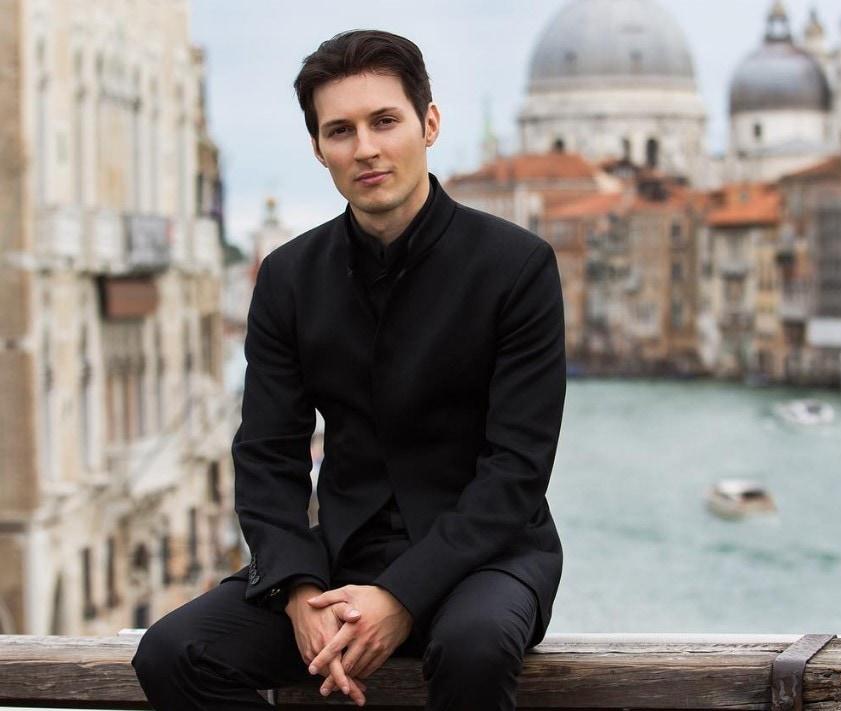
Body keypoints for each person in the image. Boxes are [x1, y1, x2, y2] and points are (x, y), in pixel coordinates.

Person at [131, 29, 566, 710]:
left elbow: (516, 469)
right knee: (173, 652)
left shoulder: (518, 266)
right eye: (340, 130)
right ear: (318, 148)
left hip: (489, 558)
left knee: (473, 647)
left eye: (384, 121)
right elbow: (268, 453)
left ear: (429, 124)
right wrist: (298, 590)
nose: (365, 148)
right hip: (340, 557)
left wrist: (400, 596)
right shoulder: (288, 277)